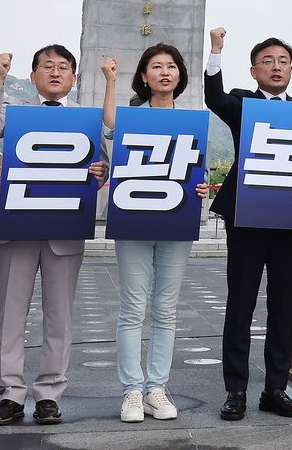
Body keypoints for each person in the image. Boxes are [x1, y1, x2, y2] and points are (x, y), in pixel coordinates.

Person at [203, 28, 292, 421]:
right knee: (240, 304)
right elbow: (213, 97)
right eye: (267, 61)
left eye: (283, 61)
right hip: (248, 219)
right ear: (254, 71)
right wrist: (216, 51)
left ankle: (275, 389)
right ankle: (235, 390)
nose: (276, 67)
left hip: (290, 222)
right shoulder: (242, 103)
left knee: (282, 307)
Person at [0, 45, 106, 427]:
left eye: (63, 67)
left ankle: (50, 392)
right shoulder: (16, 111)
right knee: (11, 311)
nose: (55, 73)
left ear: (73, 78)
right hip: (17, 225)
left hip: (64, 227)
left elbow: (104, 165)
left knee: (59, 314)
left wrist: (101, 172)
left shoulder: (86, 120)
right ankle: (11, 393)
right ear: (33, 75)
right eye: (47, 67)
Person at [105, 44, 195, 423]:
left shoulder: (193, 121)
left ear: (179, 76)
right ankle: (132, 391)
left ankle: (157, 388)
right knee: (132, 308)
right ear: (143, 76)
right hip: (134, 221)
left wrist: (201, 185)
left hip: (176, 222)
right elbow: (110, 124)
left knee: (165, 310)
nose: (164, 72)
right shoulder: (131, 116)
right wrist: (109, 81)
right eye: (155, 67)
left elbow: (195, 168)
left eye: (171, 66)